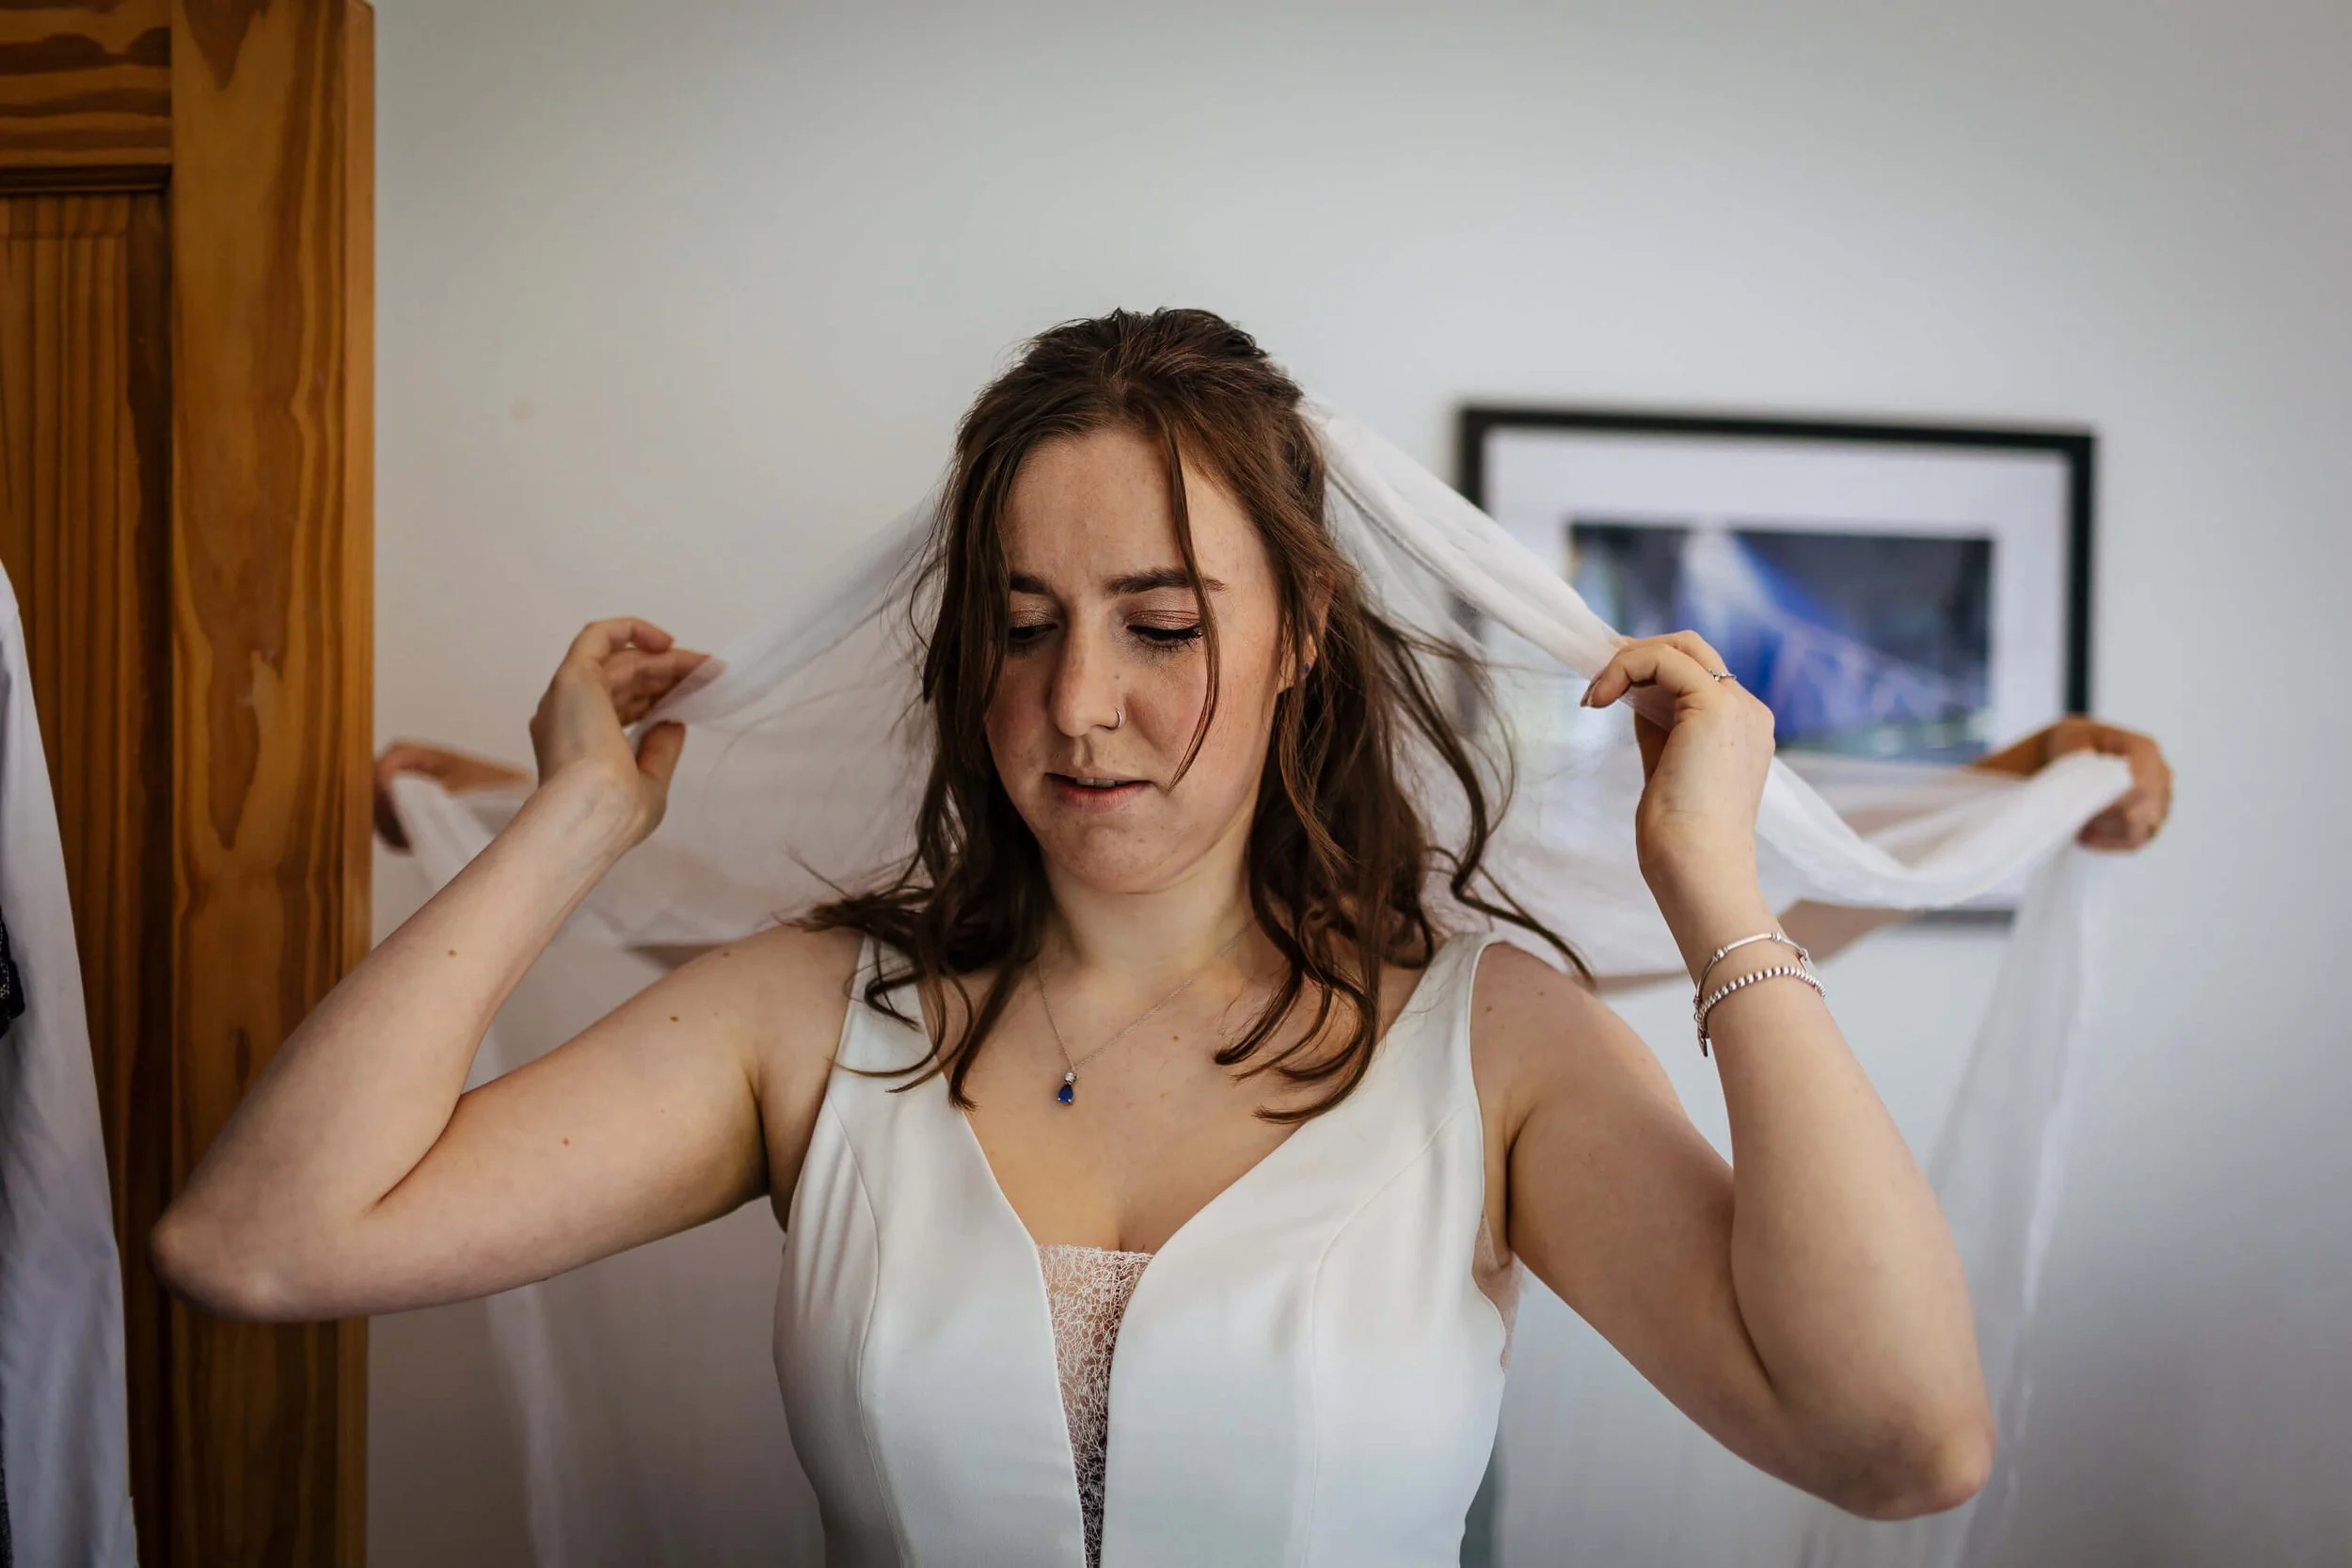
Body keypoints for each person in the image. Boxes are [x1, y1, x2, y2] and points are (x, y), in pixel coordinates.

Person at [151, 309, 2171, 1567]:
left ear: (1300, 636)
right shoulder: (806, 1021)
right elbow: (257, 1241)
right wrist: (576, 820)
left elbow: (1898, 1438)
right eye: (1022, 624)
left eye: (1161, 622)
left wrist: (1713, 882)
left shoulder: (1497, 1048)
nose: (1076, 705)